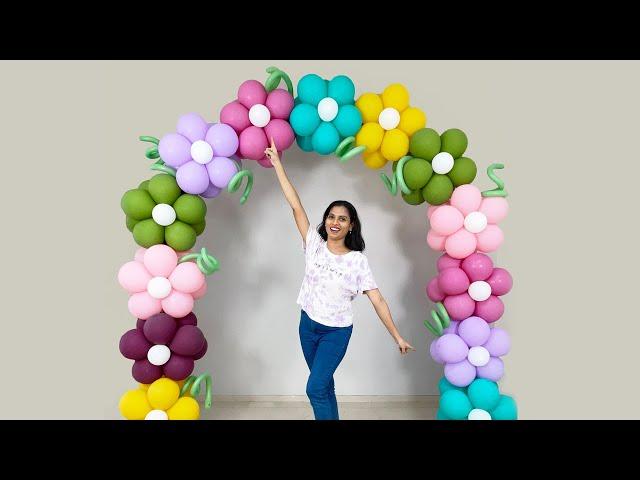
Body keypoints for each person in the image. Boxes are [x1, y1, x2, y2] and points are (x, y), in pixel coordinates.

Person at [264, 139, 415, 420]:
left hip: (335, 333)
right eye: (331, 216)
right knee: (324, 387)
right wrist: (277, 165)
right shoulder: (314, 244)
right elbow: (295, 206)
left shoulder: (357, 260)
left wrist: (397, 336)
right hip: (307, 325)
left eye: (342, 219)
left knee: (315, 388)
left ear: (351, 225)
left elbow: (378, 299)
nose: (335, 222)